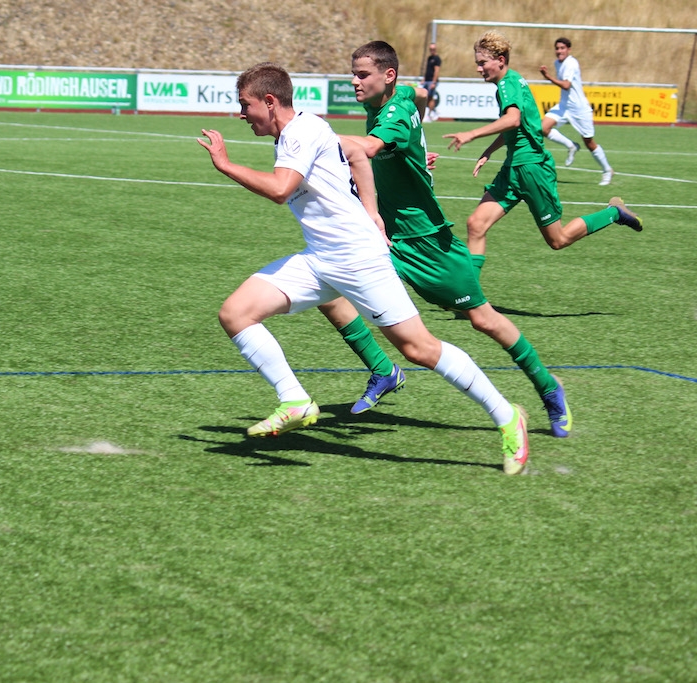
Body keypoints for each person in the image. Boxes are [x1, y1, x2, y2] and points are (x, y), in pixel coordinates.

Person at [198, 62, 529, 475]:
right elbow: (356, 153)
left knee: (420, 349)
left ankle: (507, 417)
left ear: (269, 101)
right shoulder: (299, 131)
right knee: (235, 313)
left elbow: (281, 190)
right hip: (320, 258)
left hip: (358, 259)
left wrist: (225, 164)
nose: (241, 114)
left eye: (245, 105)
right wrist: (371, 211)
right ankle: (295, 400)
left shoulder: (300, 132)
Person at [320, 40, 571, 437]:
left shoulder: (393, 115)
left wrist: (313, 137)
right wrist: (416, 150)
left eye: (362, 74)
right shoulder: (399, 96)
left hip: (428, 243)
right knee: (327, 289)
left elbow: (367, 148)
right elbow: (420, 95)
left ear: (387, 75)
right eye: (353, 74)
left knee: (483, 320)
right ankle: (383, 371)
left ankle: (547, 387)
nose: (354, 81)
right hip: (386, 237)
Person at [442, 31, 644, 279]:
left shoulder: (507, 84)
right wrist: (489, 151)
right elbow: (517, 125)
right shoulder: (510, 82)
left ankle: (614, 213)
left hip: (532, 169)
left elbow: (513, 120)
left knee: (558, 239)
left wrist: (472, 134)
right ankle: (471, 292)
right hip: (514, 168)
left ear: (500, 60)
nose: (478, 68)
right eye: (477, 63)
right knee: (476, 224)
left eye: (482, 63)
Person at [538, 37, 615, 186]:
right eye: (557, 48)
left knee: (589, 142)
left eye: (562, 48)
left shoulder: (571, 63)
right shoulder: (557, 63)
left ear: (569, 50)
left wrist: (548, 77)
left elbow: (566, 85)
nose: (559, 51)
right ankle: (571, 145)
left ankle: (607, 170)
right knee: (542, 128)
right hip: (564, 106)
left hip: (579, 109)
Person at [421, 42, 442, 122]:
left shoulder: (437, 59)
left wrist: (434, 82)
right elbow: (427, 69)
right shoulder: (429, 58)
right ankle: (431, 112)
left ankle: (429, 115)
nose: (432, 50)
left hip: (431, 81)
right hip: (427, 80)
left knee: (430, 97)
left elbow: (436, 71)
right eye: (430, 49)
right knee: (425, 97)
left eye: (433, 49)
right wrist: (424, 79)